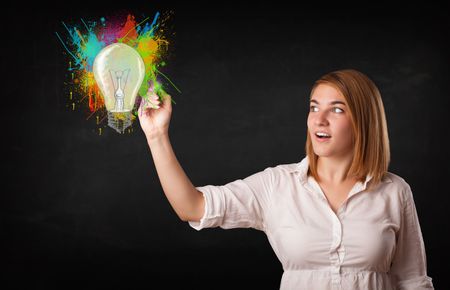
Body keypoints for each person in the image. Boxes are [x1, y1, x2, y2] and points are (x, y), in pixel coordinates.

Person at [138, 69, 434, 289]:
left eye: (337, 109)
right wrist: (157, 135)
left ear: (364, 122)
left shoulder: (395, 192)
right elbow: (192, 206)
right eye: (314, 107)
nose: (319, 119)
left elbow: (413, 281)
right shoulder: (277, 185)